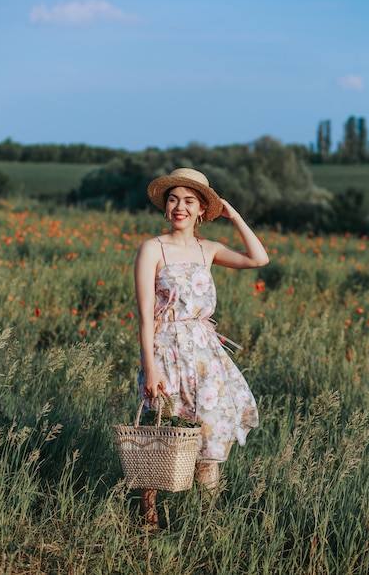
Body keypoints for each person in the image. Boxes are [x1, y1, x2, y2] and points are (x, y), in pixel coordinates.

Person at [134, 168, 269, 527]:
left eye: (189, 201)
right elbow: (146, 316)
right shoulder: (152, 248)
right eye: (173, 199)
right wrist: (151, 366)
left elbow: (258, 259)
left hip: (205, 353)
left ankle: (206, 519)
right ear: (166, 207)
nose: (179, 206)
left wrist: (234, 215)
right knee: (162, 426)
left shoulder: (207, 249)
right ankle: (149, 515)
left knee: (211, 427)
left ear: (201, 211)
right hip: (166, 348)